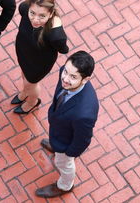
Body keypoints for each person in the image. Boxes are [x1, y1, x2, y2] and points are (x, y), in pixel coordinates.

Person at [35, 51, 99, 198]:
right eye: (66, 71)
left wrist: (68, 153)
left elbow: (83, 140)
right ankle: (56, 146)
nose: (65, 79)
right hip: (60, 130)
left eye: (73, 77)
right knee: (59, 151)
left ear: (85, 79)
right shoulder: (64, 75)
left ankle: (65, 185)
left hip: (66, 143)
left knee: (64, 163)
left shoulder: (84, 114)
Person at [12, 0, 68, 114]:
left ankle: (32, 101)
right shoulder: (24, 8)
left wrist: (57, 27)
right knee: (24, 75)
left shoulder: (55, 35)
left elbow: (64, 49)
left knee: (31, 82)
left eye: (42, 16)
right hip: (23, 51)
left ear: (51, 14)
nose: (35, 20)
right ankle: (25, 92)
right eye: (32, 13)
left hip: (39, 62)